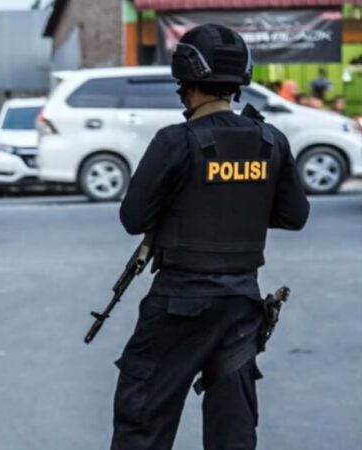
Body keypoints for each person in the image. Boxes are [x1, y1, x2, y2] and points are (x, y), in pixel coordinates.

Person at [110, 24, 310, 450]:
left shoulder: (174, 142)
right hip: (240, 304)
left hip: (178, 306)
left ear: (184, 81)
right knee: (233, 433)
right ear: (239, 82)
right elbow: (295, 215)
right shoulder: (270, 141)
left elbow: (133, 218)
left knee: (142, 422)